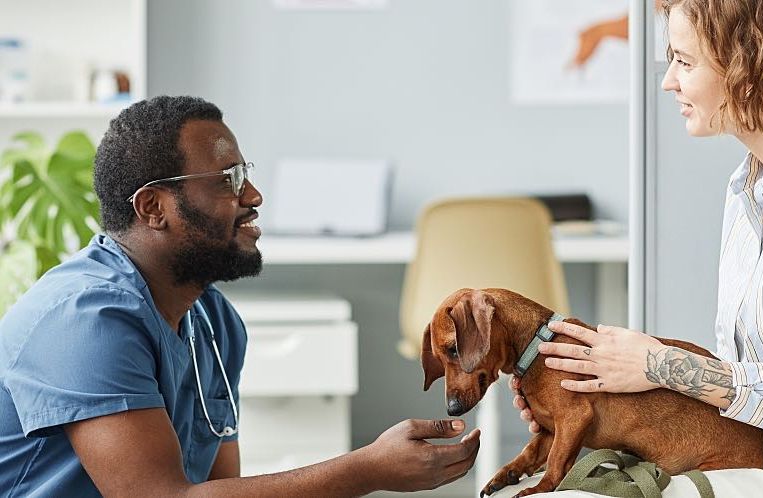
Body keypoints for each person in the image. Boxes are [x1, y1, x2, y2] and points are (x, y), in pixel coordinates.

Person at [0, 95, 479, 496]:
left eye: (244, 173)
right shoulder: (83, 319)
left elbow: (220, 487)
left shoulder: (213, 320)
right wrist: (368, 469)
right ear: (153, 207)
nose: (253, 195)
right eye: (227, 179)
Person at [503, 0, 763, 496]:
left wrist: (656, 365)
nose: (668, 81)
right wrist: (595, 399)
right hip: (758, 446)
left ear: (750, 64)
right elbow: (743, 381)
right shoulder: (746, 190)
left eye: (685, 62)